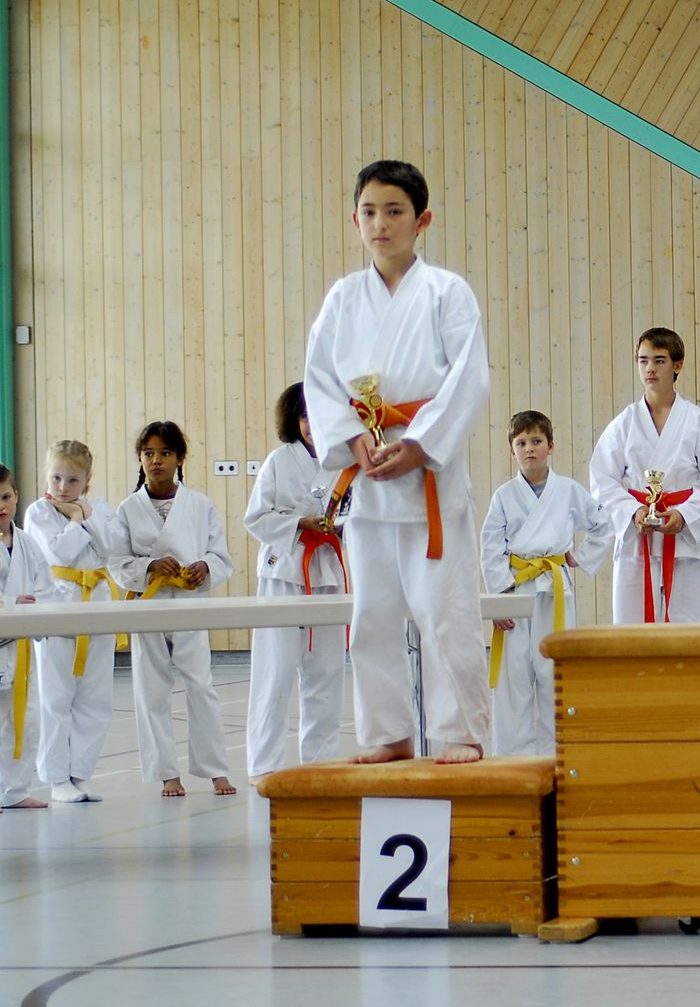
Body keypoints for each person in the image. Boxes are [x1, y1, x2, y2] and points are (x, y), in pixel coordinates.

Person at [303, 158, 492, 765]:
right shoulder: (342, 298)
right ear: (354, 218)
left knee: (444, 612)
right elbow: (319, 380)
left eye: (394, 211)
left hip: (428, 473)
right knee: (373, 615)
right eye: (369, 212)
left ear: (422, 220)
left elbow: (469, 378)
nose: (380, 224)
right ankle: (388, 733)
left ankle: (460, 730)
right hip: (369, 472)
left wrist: (420, 444)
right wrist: (351, 437)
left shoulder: (447, 293)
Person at [110, 422, 237, 796]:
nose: (156, 461)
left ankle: (215, 769)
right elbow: (117, 561)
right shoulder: (128, 509)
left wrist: (205, 567)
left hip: (189, 601)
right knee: (151, 688)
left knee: (201, 684)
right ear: (140, 459)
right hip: (148, 603)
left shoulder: (199, 504)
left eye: (165, 453)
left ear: (180, 458)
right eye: (148, 453)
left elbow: (220, 554)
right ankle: (167, 773)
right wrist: (149, 566)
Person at [481, 410, 613, 756]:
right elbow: (490, 547)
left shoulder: (568, 490)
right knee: (513, 675)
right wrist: (498, 598)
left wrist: (580, 558)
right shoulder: (503, 496)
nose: (529, 449)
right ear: (512, 450)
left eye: (537, 441)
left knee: (554, 669)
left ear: (550, 446)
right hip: (516, 589)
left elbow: (603, 525)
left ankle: (557, 755)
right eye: (521, 442)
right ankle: (512, 759)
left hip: (555, 589)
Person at [243, 383, 348, 780]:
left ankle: (321, 765)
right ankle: (264, 765)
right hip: (283, 572)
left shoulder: (345, 461)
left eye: (317, 414)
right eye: (304, 415)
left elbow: (360, 515)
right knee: (274, 673)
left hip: (328, 572)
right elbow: (255, 518)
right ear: (293, 419)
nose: (310, 424)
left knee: (326, 673)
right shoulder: (279, 461)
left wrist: (338, 526)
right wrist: (300, 522)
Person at [590, 328, 700, 624]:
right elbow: (602, 479)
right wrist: (633, 511)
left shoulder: (698, 422)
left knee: (693, 631)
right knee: (634, 633)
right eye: (643, 360)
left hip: (686, 543)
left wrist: (685, 514)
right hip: (638, 541)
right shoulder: (624, 423)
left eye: (659, 360)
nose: (650, 368)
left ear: (678, 365)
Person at [21, 440, 120, 803]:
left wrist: (85, 516)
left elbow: (109, 549)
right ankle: (55, 777)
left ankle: (80, 772)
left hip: (97, 604)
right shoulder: (38, 512)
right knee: (55, 696)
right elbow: (59, 552)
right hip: (57, 603)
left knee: (95, 696)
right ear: (46, 476)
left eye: (73, 480)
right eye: (56, 478)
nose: (63, 487)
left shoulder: (100, 508)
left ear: (87, 480)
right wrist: (77, 522)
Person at [0, 462, 51, 814]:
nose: (0, 506)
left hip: (20, 646)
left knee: (24, 719)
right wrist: (11, 603)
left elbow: (45, 588)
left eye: (5, 497)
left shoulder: (28, 543)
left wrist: (36, 610)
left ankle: (15, 789)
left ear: (16, 496)